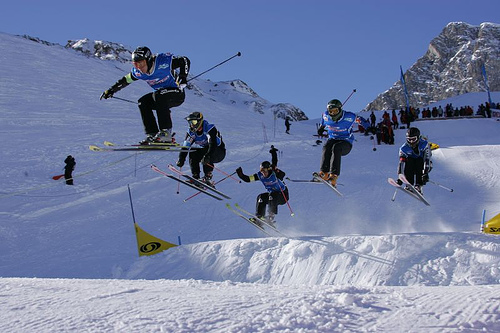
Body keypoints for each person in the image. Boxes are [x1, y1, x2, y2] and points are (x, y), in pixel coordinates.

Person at [100, 46, 190, 144]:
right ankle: (152, 134)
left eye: (141, 63)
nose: (139, 67)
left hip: (177, 94)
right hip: (161, 98)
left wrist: (183, 76)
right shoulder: (138, 72)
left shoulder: (162, 62)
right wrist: (111, 90)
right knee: (143, 102)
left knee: (159, 95)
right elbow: (125, 80)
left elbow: (184, 60)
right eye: (136, 64)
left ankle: (166, 133)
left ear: (149, 59)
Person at [236, 152, 288, 224]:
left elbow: (282, 174)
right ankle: (259, 218)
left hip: (283, 196)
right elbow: (248, 179)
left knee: (272, 195)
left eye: (265, 170)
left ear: (269, 169)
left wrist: (276, 171)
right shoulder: (260, 175)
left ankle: (270, 217)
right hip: (272, 196)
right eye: (262, 170)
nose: (263, 172)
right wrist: (241, 175)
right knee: (261, 197)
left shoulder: (274, 174)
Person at [176, 112, 226, 186]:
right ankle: (196, 177)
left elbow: (213, 144)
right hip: (206, 151)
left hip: (218, 152)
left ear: (199, 121)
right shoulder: (191, 132)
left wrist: (208, 156)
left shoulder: (209, 128)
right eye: (190, 122)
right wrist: (181, 159)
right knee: (193, 152)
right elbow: (186, 146)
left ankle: (207, 177)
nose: (192, 125)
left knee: (206, 153)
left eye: (194, 122)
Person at [316, 99, 356, 186]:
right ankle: (324, 173)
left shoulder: (349, 117)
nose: (333, 113)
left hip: (346, 142)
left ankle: (334, 175)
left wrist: (369, 127)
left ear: (340, 109)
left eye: (335, 111)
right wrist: (321, 128)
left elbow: (359, 120)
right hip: (333, 139)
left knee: (336, 147)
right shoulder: (326, 116)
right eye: (331, 111)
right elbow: (323, 121)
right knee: (327, 146)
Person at [396, 127, 432, 194]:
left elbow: (427, 158)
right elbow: (401, 163)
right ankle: (409, 183)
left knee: (419, 160)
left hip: (423, 164)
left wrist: (426, 173)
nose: (411, 142)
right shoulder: (404, 148)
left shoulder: (424, 145)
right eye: (409, 140)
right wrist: (400, 175)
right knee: (409, 160)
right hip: (411, 165)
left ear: (418, 137)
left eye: (413, 139)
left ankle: (418, 185)